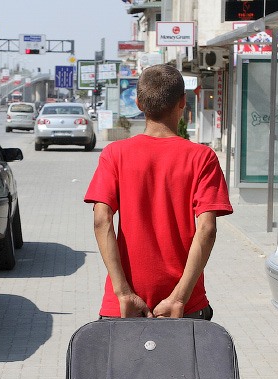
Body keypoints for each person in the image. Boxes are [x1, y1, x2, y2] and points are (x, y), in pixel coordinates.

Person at [84, 64, 232, 320]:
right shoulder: (202, 158)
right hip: (184, 306)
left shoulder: (114, 155)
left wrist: (123, 294)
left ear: (139, 104)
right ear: (183, 102)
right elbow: (207, 228)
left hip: (122, 307)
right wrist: (179, 298)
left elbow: (101, 220)